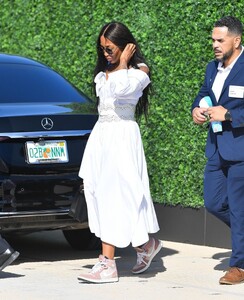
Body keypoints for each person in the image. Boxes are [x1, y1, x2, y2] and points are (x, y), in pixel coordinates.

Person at [77, 21, 161, 284]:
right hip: (102, 136)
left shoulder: (140, 72)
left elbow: (125, 90)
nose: (106, 53)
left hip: (123, 138)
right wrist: (116, 66)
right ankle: (144, 246)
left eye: (110, 48)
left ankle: (108, 264)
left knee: (118, 195)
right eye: (102, 48)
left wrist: (124, 65)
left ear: (126, 46)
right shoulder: (104, 73)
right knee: (101, 194)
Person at [192, 16, 244, 285]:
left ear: (236, 41)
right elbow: (203, 92)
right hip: (215, 148)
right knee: (213, 203)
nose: (214, 44)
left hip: (241, 150)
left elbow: (233, 110)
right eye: (213, 39)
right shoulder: (212, 67)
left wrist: (231, 115)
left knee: (238, 208)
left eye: (219, 40)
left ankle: (239, 266)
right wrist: (197, 109)